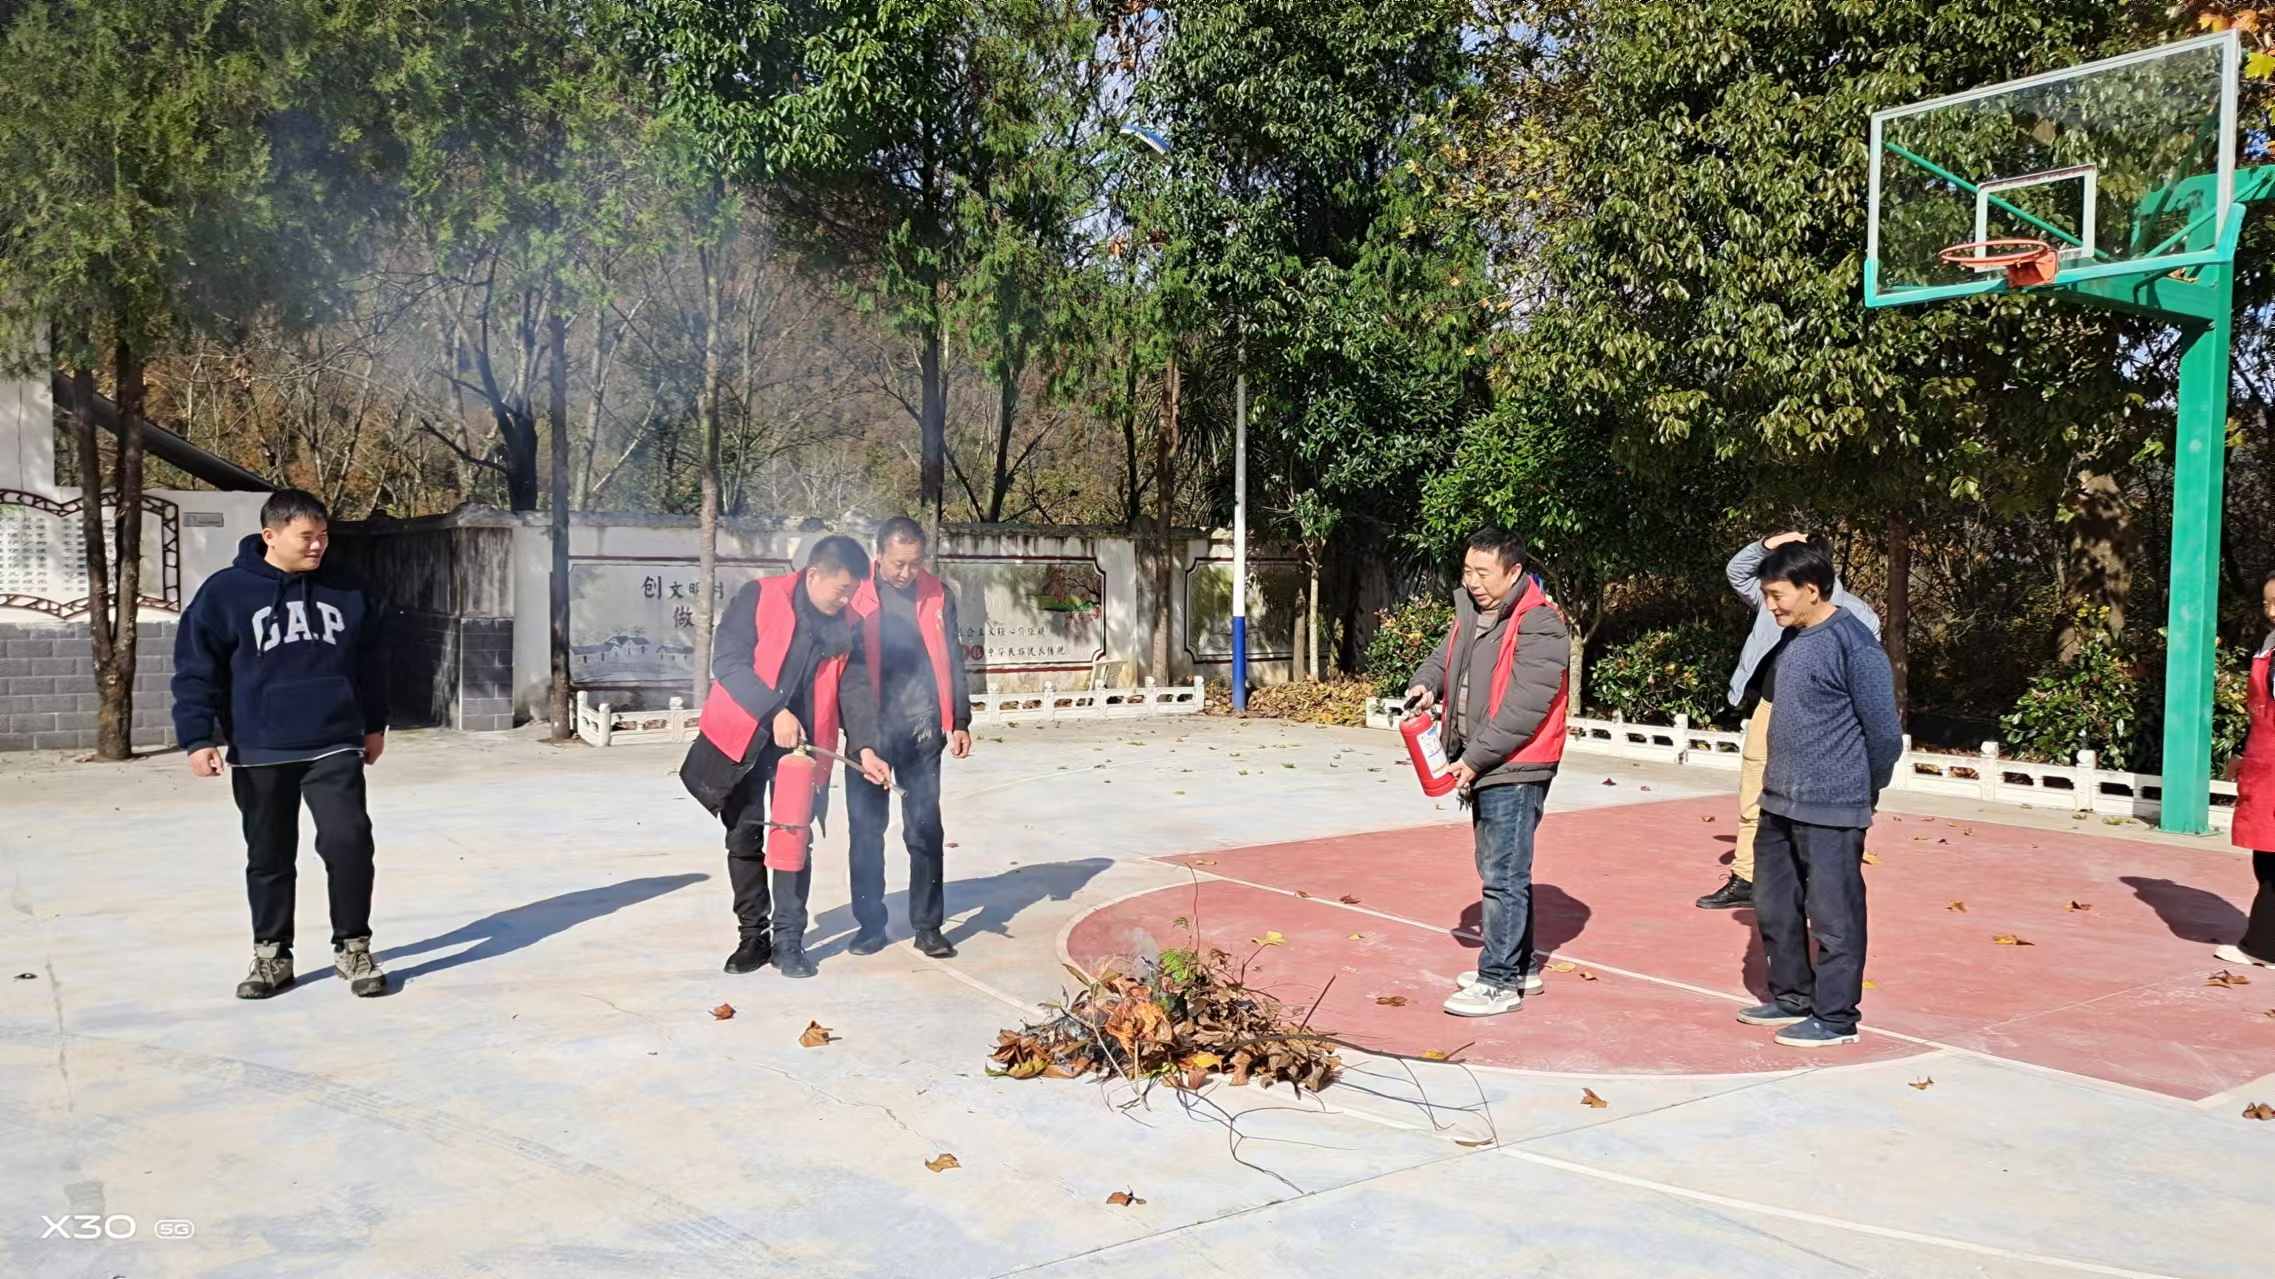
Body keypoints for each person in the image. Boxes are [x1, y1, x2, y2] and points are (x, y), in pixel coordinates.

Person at [171, 489, 392, 1000]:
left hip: (334, 740)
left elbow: (373, 663)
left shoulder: (349, 588)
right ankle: (272, 955)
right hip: (259, 746)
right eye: (307, 537)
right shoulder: (225, 593)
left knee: (349, 841)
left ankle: (353, 947)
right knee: (269, 854)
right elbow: (197, 670)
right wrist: (197, 736)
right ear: (270, 536)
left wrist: (374, 724)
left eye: (324, 536)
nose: (318, 546)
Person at [681, 535, 891, 979]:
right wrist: (774, 711)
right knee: (743, 836)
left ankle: (788, 940)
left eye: (852, 592)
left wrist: (866, 747)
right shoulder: (759, 597)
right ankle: (752, 937)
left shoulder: (849, 622)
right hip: (746, 733)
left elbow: (854, 689)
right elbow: (729, 662)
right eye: (841, 590)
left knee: (793, 838)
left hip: (804, 744)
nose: (846, 600)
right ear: (813, 575)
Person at [1735, 539, 1901, 1048]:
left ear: (1811, 589)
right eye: (1767, 595)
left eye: (1777, 595)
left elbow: (1884, 735)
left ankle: (1835, 1018)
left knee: (1834, 916)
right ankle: (1792, 997)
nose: (1771, 606)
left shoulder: (1855, 645)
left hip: (1833, 806)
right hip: (1778, 800)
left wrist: (1861, 790)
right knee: (1774, 905)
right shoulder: (1793, 638)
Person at [1404, 527, 1571, 1018]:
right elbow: (1444, 659)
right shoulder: (1473, 614)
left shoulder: (1540, 624)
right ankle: (1519, 966)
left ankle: (1498, 981)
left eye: (1483, 572)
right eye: (1467, 571)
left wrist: (1474, 759)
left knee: (1503, 874)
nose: (1473, 581)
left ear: (1514, 571)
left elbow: (1524, 708)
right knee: (1503, 869)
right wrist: (1425, 685)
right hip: (1483, 758)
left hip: (1516, 763)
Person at [1699, 533, 1879, 911]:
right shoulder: (1774, 600)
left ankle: (1811, 883)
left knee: (1809, 802)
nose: (1771, 603)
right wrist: (1770, 542)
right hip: (1770, 706)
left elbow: (1868, 688)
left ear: (1812, 579)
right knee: (1753, 792)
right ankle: (1746, 877)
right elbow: (1737, 571)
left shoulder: (1857, 616)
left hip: (1819, 719)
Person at [843, 517, 974, 959]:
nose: (906, 573)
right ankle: (870, 926)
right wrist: (858, 735)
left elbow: (952, 656)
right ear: (878, 555)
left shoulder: (938, 594)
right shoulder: (856, 593)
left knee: (925, 828)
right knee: (866, 831)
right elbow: (844, 670)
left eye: (915, 564)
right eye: (898, 564)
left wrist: (959, 719)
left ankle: (929, 926)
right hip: (868, 728)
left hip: (921, 727)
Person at [2215, 570, 2275, 970]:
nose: (2270, 611)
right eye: (2267, 602)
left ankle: (2264, 947)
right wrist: (2243, 753)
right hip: (2265, 763)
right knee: (2267, 859)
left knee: (2272, 865)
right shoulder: (2269, 646)